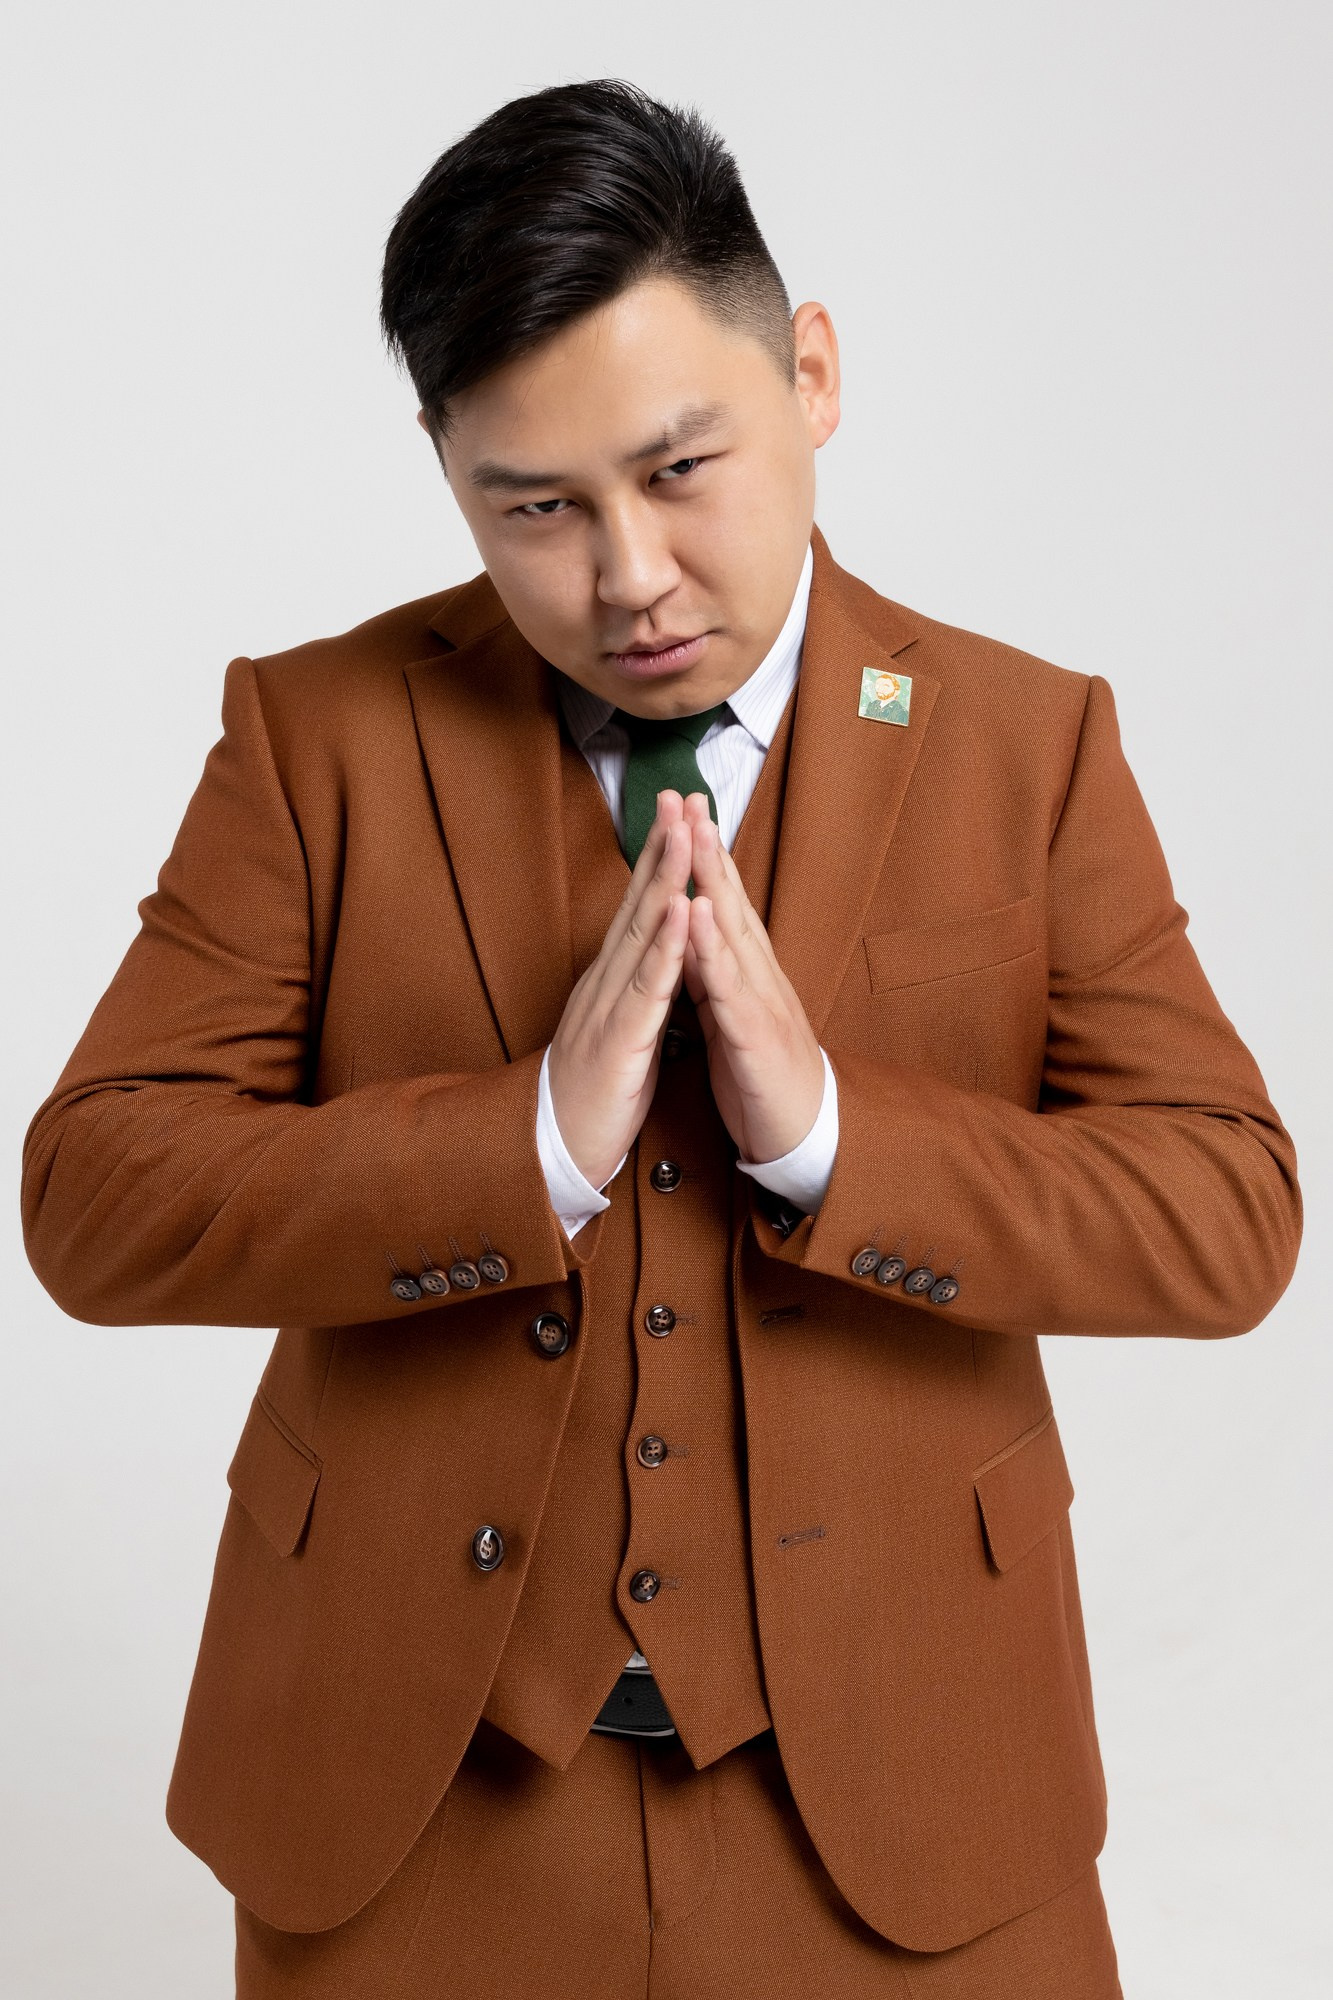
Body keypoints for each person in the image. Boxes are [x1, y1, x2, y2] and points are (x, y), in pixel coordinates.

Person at [20, 76, 1301, 2000]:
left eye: (680, 469)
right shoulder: (318, 735)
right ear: (447, 470)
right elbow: (94, 1194)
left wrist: (830, 1136)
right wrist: (523, 1144)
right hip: (412, 1809)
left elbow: (1228, 1215)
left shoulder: (1026, 744)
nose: (623, 577)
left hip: (918, 1803)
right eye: (532, 508)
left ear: (811, 375)